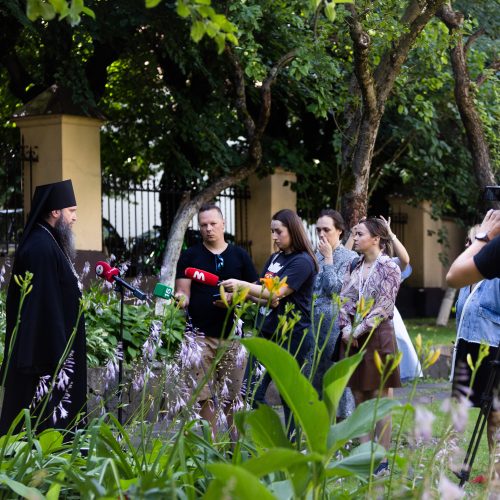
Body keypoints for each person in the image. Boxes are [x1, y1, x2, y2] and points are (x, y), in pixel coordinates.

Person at [221, 208, 318, 437]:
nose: (274, 237)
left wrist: (245, 286)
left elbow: (277, 293)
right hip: (267, 333)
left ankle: (293, 444)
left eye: (278, 231)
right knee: (251, 392)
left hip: (293, 336)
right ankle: (266, 436)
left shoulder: (303, 261)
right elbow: (264, 293)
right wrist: (238, 295)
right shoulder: (275, 258)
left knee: (289, 395)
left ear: (293, 231)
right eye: (272, 231)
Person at [0, 179, 87, 435]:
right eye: (71, 211)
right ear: (55, 211)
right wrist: (58, 357)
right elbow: (43, 307)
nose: (75, 217)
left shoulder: (49, 242)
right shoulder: (40, 247)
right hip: (46, 357)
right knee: (42, 424)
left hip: (58, 352)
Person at [175, 203, 258, 438]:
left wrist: (236, 297)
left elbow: (255, 291)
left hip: (234, 337)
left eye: (213, 223)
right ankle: (210, 448)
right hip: (200, 337)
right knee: (203, 397)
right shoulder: (190, 256)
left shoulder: (240, 256)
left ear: (223, 224)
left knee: (233, 396)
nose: (209, 229)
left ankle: (235, 449)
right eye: (203, 225)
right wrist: (179, 299)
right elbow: (183, 293)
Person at [339, 217, 401, 475]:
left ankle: (382, 460)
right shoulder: (354, 264)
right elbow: (343, 297)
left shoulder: (389, 267)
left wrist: (358, 329)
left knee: (379, 398)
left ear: (376, 238)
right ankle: (364, 458)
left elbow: (384, 306)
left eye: (359, 233)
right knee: (359, 395)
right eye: (354, 233)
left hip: (377, 335)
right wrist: (345, 327)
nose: (354, 238)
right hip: (352, 336)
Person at [451, 225, 500, 476]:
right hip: (466, 346)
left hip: (491, 348)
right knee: (461, 406)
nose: (472, 247)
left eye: (480, 242)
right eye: (470, 242)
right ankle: (459, 462)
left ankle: (495, 469)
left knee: (494, 413)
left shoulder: (495, 275)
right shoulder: (466, 279)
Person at [307, 209, 357, 419]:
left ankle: (343, 429)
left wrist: (328, 259)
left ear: (340, 231)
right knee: (313, 376)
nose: (321, 234)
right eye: (318, 230)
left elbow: (334, 288)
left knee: (337, 380)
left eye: (326, 229)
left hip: (335, 327)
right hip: (312, 325)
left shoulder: (350, 257)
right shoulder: (313, 254)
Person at [446, 209, 500, 287]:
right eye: (466, 240)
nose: (466, 245)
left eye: (471, 241)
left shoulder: (493, 280)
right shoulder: (466, 286)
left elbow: (452, 278)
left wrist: (483, 236)